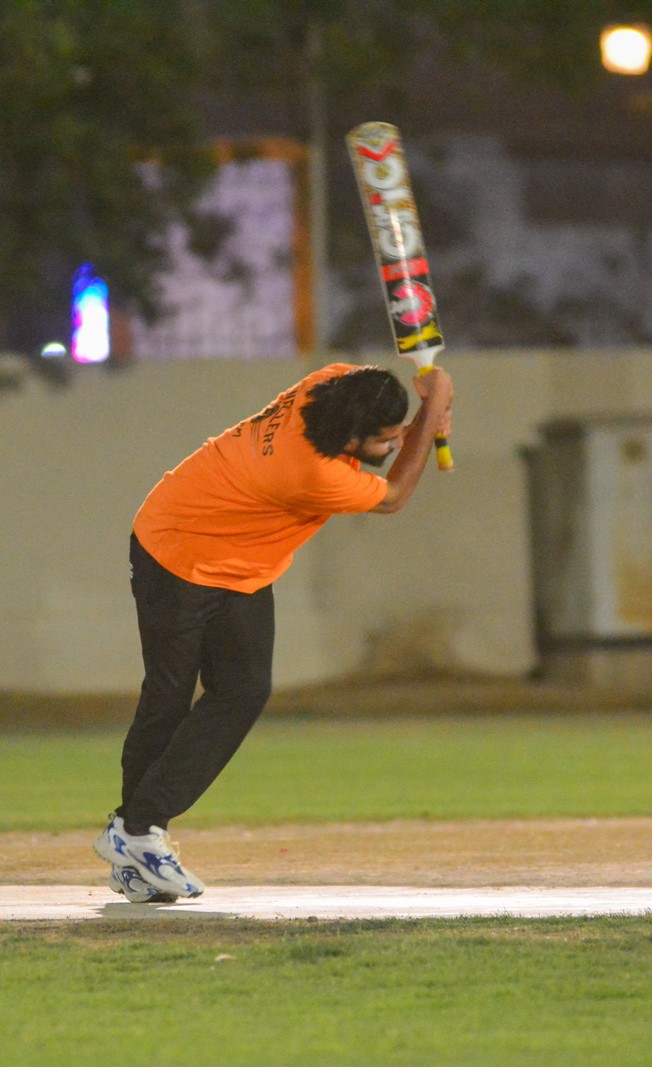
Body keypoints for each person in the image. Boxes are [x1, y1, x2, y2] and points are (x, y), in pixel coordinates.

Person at [94, 361, 455, 902]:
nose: (391, 444)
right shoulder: (312, 473)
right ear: (349, 437)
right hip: (176, 548)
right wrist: (432, 410)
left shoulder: (326, 382)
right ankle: (138, 833)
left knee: (244, 689)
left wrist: (420, 418)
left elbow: (375, 416)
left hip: (242, 561)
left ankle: (133, 840)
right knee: (168, 695)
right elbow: (394, 495)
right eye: (383, 439)